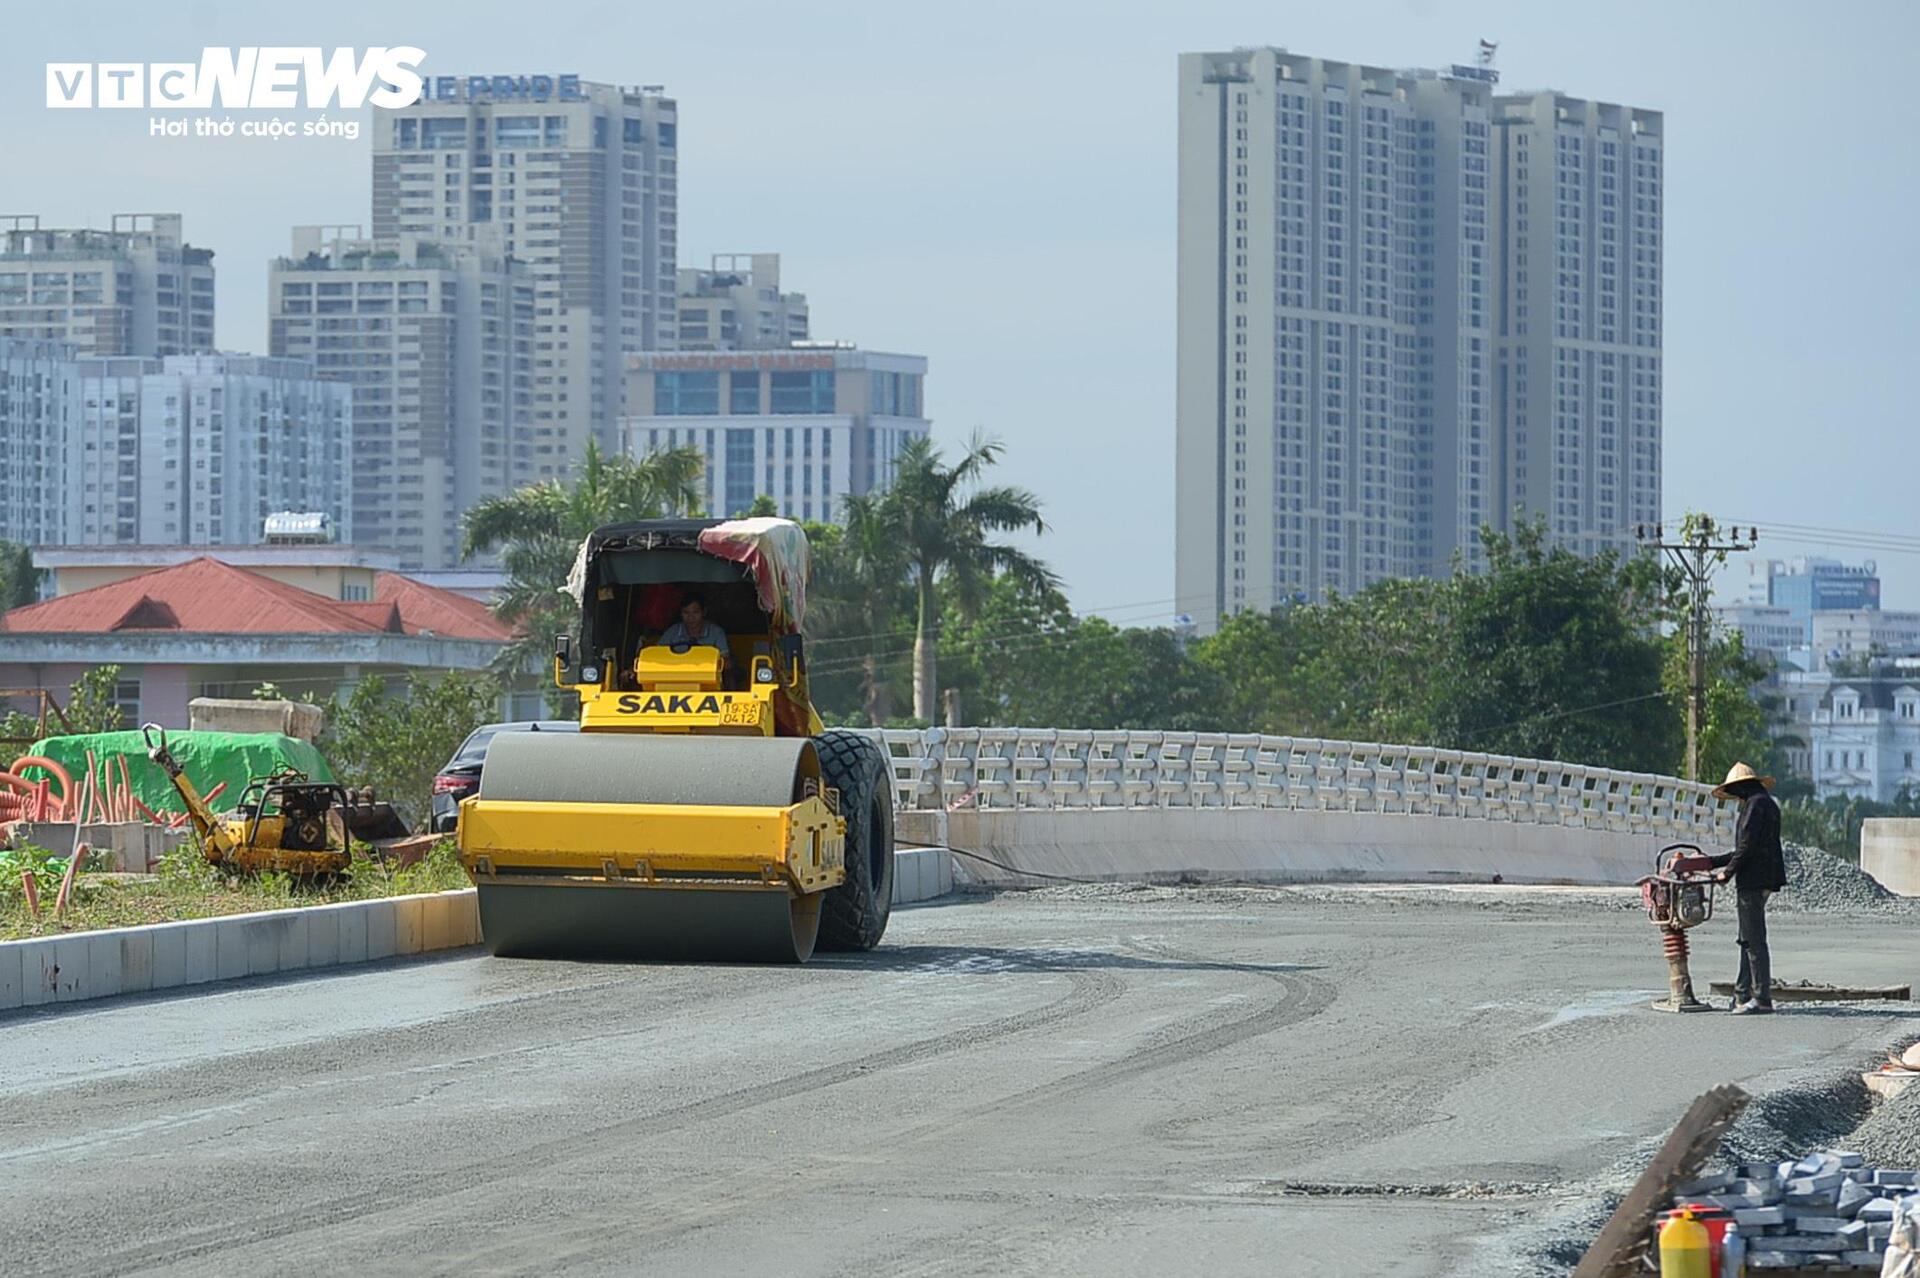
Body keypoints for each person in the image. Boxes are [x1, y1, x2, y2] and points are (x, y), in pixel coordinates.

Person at [1706, 761, 1786, 1015]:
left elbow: (1747, 847)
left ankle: (1762, 998)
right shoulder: (1767, 803)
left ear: (1741, 786)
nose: (1736, 797)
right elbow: (1744, 848)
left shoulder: (1755, 806)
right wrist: (1711, 862)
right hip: (1764, 877)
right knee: (1747, 939)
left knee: (1755, 941)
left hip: (1752, 879)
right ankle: (1741, 995)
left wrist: (1726, 872)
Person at [659, 593, 729, 670]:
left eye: (695, 612)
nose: (690, 617)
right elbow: (657, 655)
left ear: (704, 612)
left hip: (707, 677)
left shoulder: (716, 632)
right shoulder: (672, 631)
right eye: (686, 612)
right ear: (681, 613)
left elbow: (725, 662)